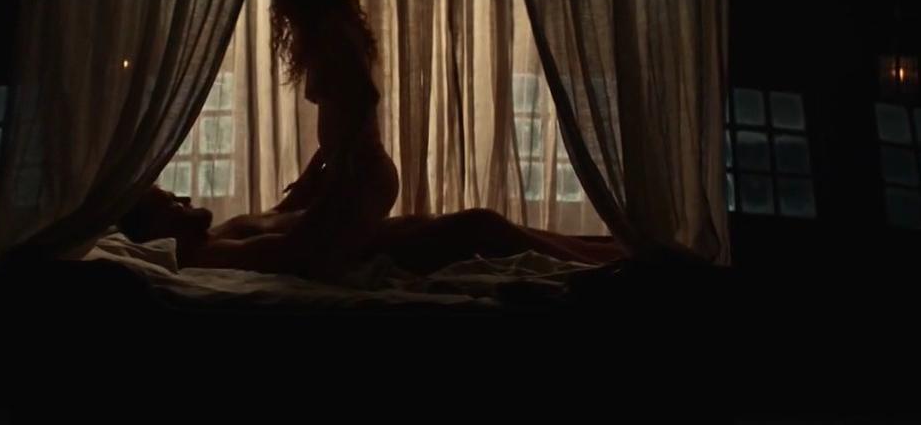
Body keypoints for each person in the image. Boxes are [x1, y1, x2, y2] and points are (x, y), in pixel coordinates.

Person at [259, 0, 400, 282]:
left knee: (304, 259)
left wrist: (338, 173)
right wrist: (314, 173)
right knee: (304, 254)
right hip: (351, 173)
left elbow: (364, 98)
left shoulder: (335, 34)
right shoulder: (328, 33)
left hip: (363, 176)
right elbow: (340, 122)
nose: (280, 9)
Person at [116, 187, 624, 279]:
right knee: (484, 225)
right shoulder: (211, 257)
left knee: (507, 229)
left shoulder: (221, 232)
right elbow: (298, 247)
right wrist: (348, 197)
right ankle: (614, 267)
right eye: (171, 204)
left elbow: (282, 217)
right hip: (386, 248)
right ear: (156, 231)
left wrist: (314, 181)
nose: (185, 200)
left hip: (389, 232)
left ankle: (616, 250)